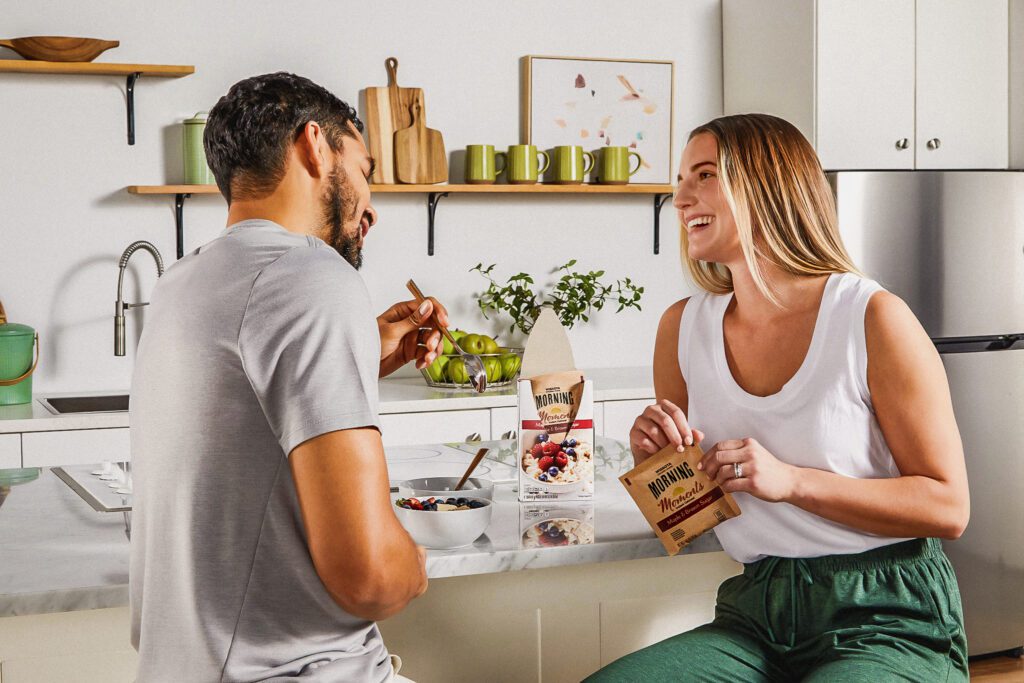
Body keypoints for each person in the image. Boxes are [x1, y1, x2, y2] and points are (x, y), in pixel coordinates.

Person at [588, 114, 970, 682]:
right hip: (755, 616)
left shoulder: (870, 317)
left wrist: (791, 481)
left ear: (767, 186)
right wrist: (658, 468)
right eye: (680, 179)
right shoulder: (682, 328)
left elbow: (948, 508)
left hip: (888, 614)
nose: (680, 196)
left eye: (704, 174)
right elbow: (688, 522)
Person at [129, 72, 444, 682]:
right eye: (365, 170)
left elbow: (237, 428)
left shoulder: (182, 282)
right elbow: (372, 578)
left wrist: (360, 354)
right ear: (315, 146)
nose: (371, 206)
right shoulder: (313, 276)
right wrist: (415, 561)